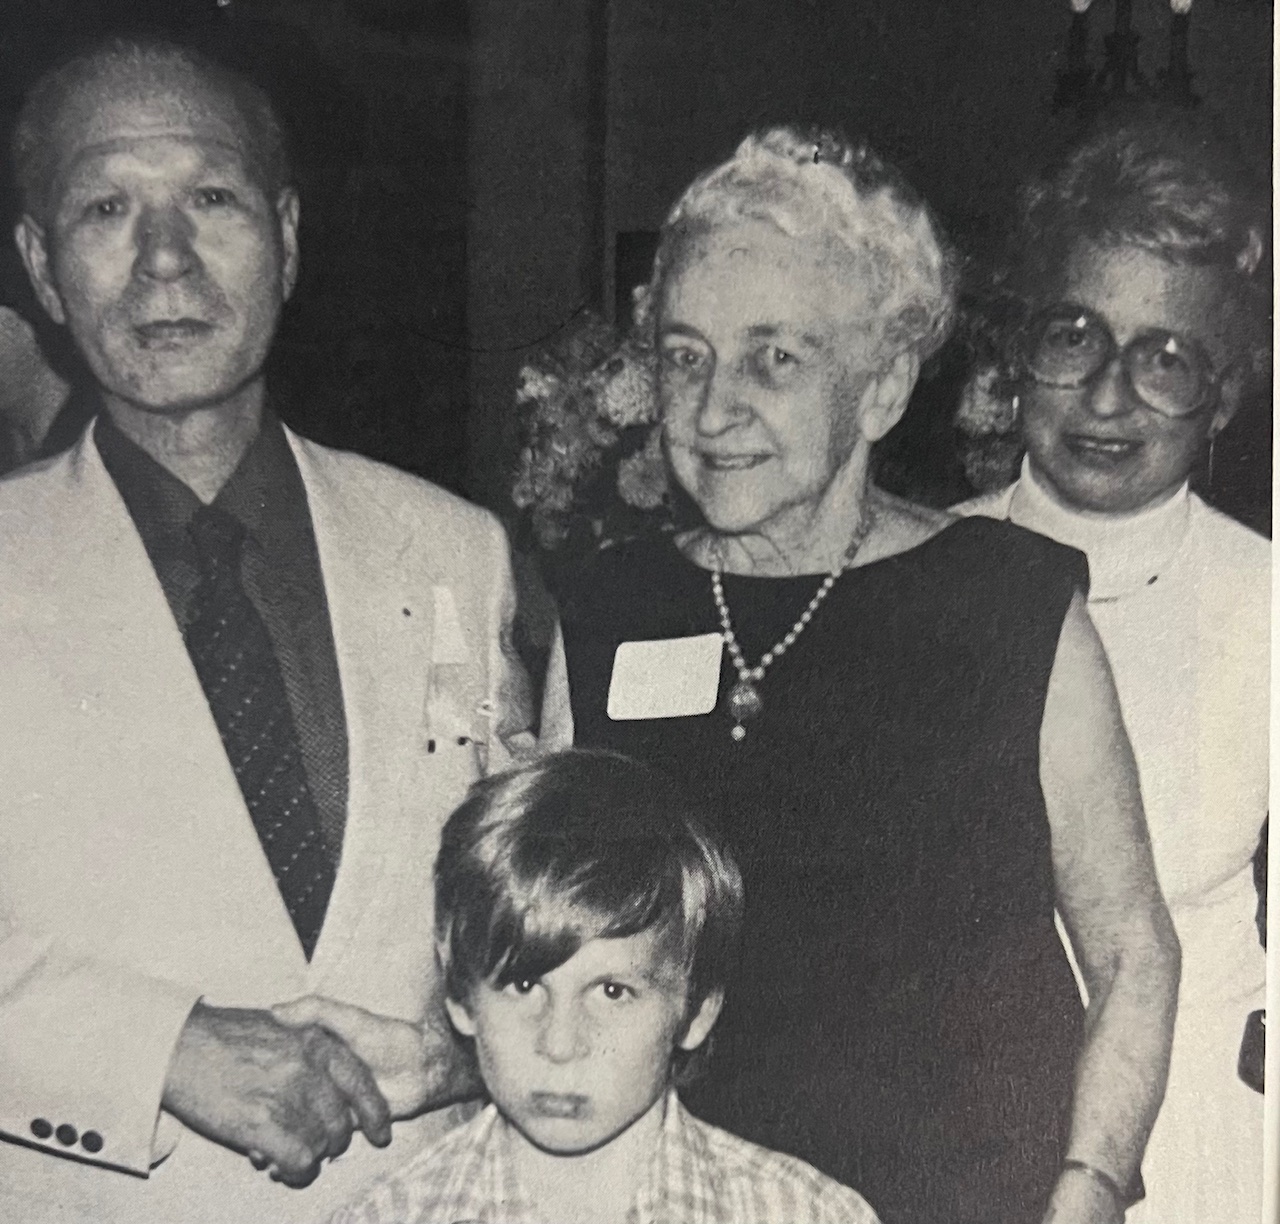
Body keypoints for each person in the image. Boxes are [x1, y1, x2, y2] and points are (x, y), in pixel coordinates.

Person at [540, 126, 1180, 1224]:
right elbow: (542, 948)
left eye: (773, 359)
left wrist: (1087, 1191)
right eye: (684, 357)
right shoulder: (606, 615)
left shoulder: (1004, 610)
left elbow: (1129, 950)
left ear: (882, 386)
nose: (712, 408)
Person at [0, 35, 535, 1224]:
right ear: (42, 268)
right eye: (104, 208)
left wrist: (466, 1059)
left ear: (287, 237)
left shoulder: (453, 550)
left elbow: (532, 911)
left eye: (210, 197)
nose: (165, 258)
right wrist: (158, 1052)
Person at [954, 110, 1270, 1224]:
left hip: (1203, 1166)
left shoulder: (1264, 606)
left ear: (1225, 395)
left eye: (1166, 358)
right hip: (944, 1143)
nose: (1105, 395)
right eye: (1072, 334)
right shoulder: (914, 573)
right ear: (1014, 350)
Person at [328, 749, 880, 1224]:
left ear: (696, 1010)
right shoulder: (386, 1216)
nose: (561, 1045)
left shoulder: (805, 1214)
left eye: (612, 991)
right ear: (460, 997)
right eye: (523, 985)